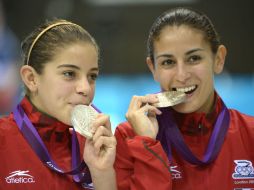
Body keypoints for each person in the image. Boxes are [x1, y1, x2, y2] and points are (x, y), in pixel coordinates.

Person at [114, 7, 254, 190]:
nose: (181, 75)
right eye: (168, 62)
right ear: (153, 68)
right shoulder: (129, 137)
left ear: (218, 59)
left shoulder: (250, 134)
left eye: (194, 58)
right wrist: (146, 145)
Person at [0, 19, 117, 190]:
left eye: (92, 76)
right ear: (31, 78)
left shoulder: (103, 145)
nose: (85, 88)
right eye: (69, 73)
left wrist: (103, 174)